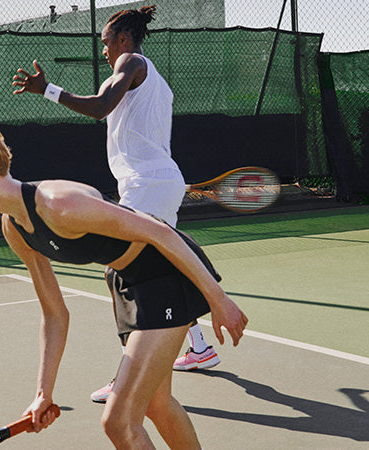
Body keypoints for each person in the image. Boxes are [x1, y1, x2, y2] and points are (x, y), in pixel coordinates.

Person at [0, 116, 248, 448]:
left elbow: (159, 231)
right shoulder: (13, 227)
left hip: (166, 272)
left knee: (119, 422)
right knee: (156, 404)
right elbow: (55, 314)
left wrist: (218, 299)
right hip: (127, 280)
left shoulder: (59, 204)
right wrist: (43, 394)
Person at [12, 5, 220, 403]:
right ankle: (197, 345)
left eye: (106, 41)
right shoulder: (151, 76)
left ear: (123, 39)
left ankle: (128, 373)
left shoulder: (130, 61)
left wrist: (48, 90)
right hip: (155, 182)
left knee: (121, 272)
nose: (104, 50)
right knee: (160, 264)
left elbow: (99, 107)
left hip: (148, 184)